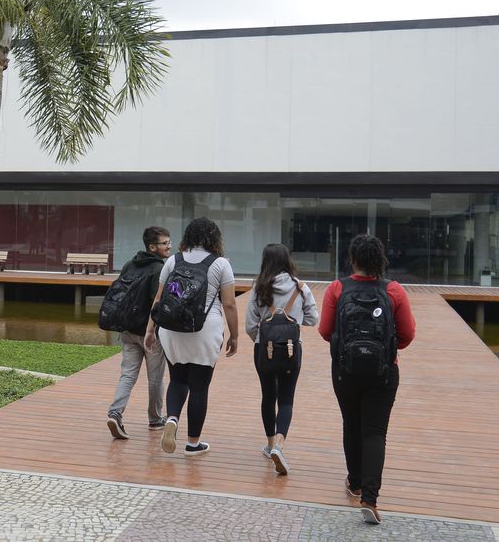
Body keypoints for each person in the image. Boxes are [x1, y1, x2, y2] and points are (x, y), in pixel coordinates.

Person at [318, 234, 416, 525]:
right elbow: (407, 335)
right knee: (374, 432)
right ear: (381, 260)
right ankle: (370, 500)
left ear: (353, 260)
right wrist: (382, 350)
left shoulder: (337, 289)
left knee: (351, 423)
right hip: (383, 372)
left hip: (344, 370)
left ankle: (355, 482)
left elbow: (325, 331)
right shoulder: (394, 291)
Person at [145, 217, 239, 456]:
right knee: (199, 386)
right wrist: (235, 335)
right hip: (205, 330)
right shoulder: (221, 264)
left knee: (177, 380)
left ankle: (172, 419)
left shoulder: (173, 260)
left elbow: (159, 299)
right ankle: (193, 444)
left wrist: (150, 330)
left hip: (171, 329)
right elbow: (229, 304)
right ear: (214, 238)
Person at [245, 243, 318, 475]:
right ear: (288, 260)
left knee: (268, 397)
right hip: (291, 350)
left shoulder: (259, 287)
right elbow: (313, 318)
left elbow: (250, 325)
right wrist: (293, 323)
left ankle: (269, 445)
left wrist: (262, 339)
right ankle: (279, 444)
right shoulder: (300, 287)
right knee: (286, 400)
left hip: (263, 350)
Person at [105, 226, 172, 439]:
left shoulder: (130, 264)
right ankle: (155, 418)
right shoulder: (159, 269)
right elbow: (157, 303)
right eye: (164, 243)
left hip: (126, 329)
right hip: (148, 332)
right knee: (155, 378)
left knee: (127, 374)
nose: (169, 246)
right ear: (152, 247)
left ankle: (115, 413)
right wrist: (153, 330)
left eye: (169, 242)